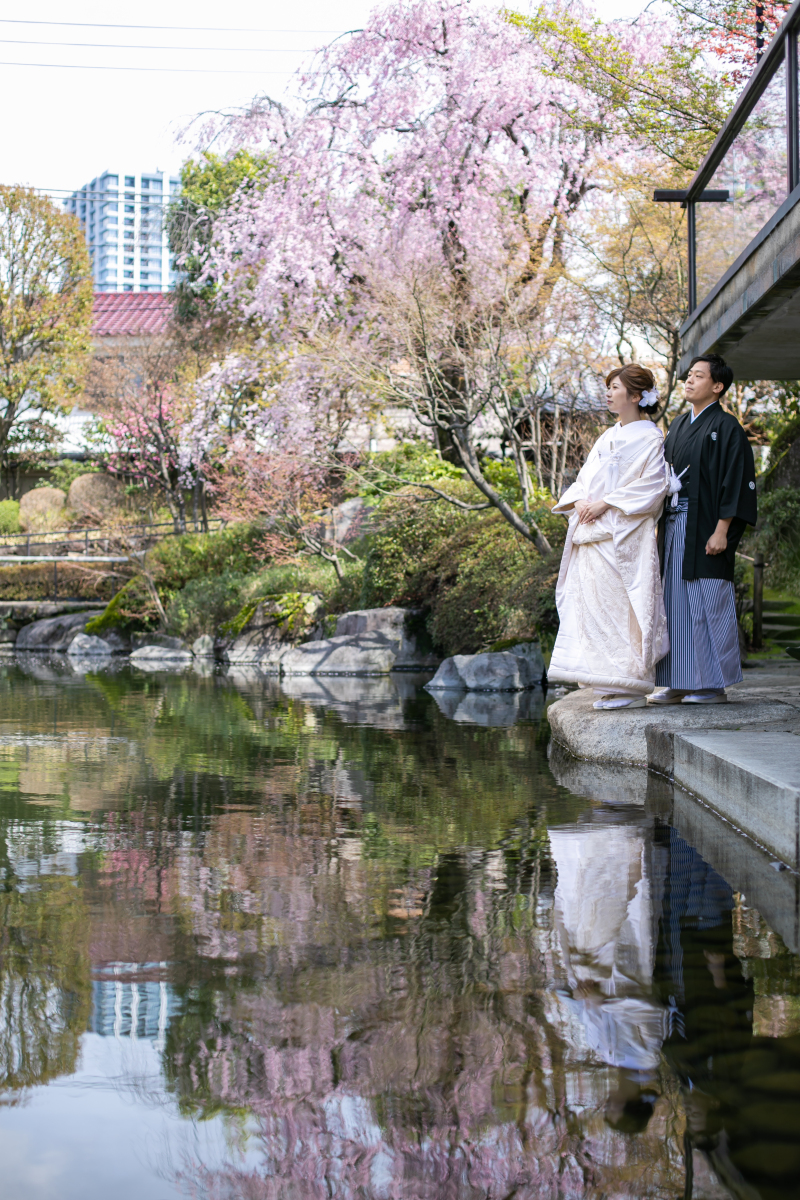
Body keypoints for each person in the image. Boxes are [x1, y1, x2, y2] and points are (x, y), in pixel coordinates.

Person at [548, 365, 669, 710]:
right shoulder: (607, 436)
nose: (608, 393)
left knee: (622, 607)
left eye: (614, 387)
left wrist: (605, 502)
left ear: (635, 396)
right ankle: (607, 681)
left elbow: (653, 486)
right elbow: (584, 479)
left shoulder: (651, 437)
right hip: (593, 535)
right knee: (596, 609)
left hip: (622, 536)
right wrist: (582, 500)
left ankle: (631, 683)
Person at [648, 353, 757, 705]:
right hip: (675, 523)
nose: (689, 381)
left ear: (717, 386)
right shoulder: (679, 425)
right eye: (688, 376)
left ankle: (712, 683)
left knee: (706, 602)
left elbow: (736, 483)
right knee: (674, 602)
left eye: (698, 376)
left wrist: (722, 529)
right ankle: (679, 680)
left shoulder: (727, 429)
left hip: (707, 525)